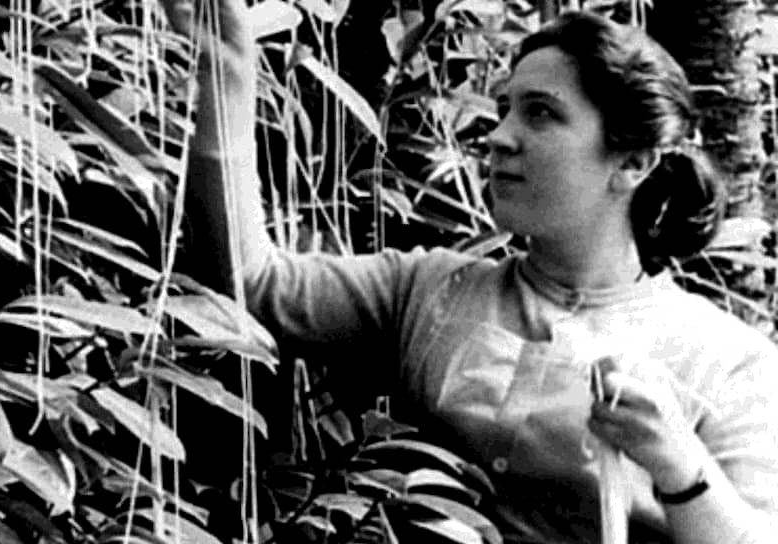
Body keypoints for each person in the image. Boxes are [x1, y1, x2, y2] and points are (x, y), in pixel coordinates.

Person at [161, 1, 778, 542]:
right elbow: (253, 286)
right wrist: (225, 66)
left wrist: (680, 465)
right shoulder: (428, 290)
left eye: (540, 113)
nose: (498, 137)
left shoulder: (729, 361)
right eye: (504, 109)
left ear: (633, 162)